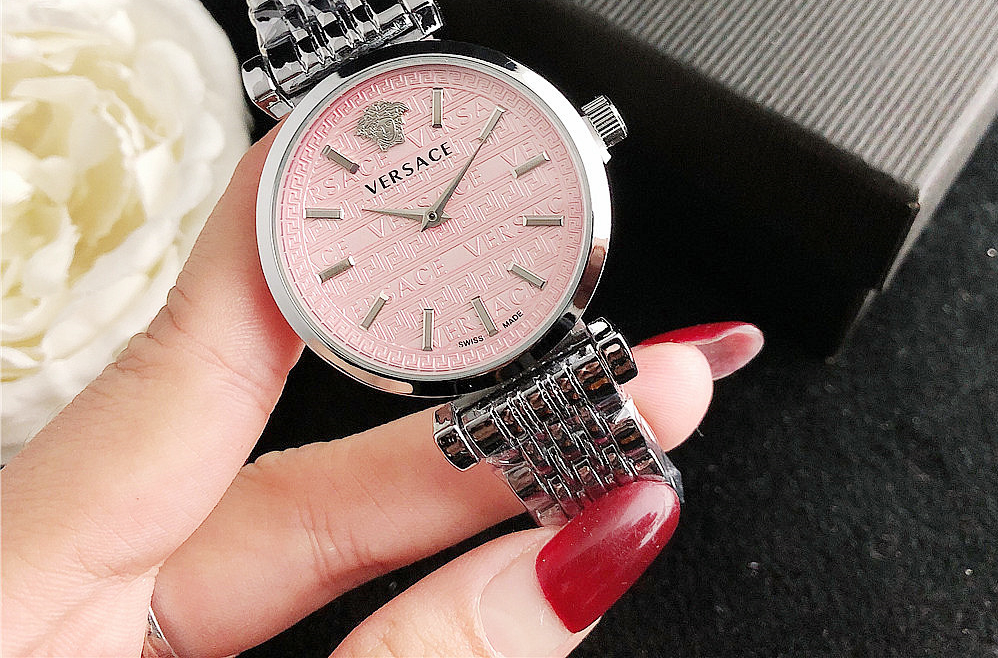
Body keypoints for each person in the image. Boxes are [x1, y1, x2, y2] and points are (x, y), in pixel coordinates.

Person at [2, 130, 762, 657]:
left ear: (585, 137)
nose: (430, 217)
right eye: (421, 215)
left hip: (520, 349)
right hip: (480, 365)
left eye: (436, 208)